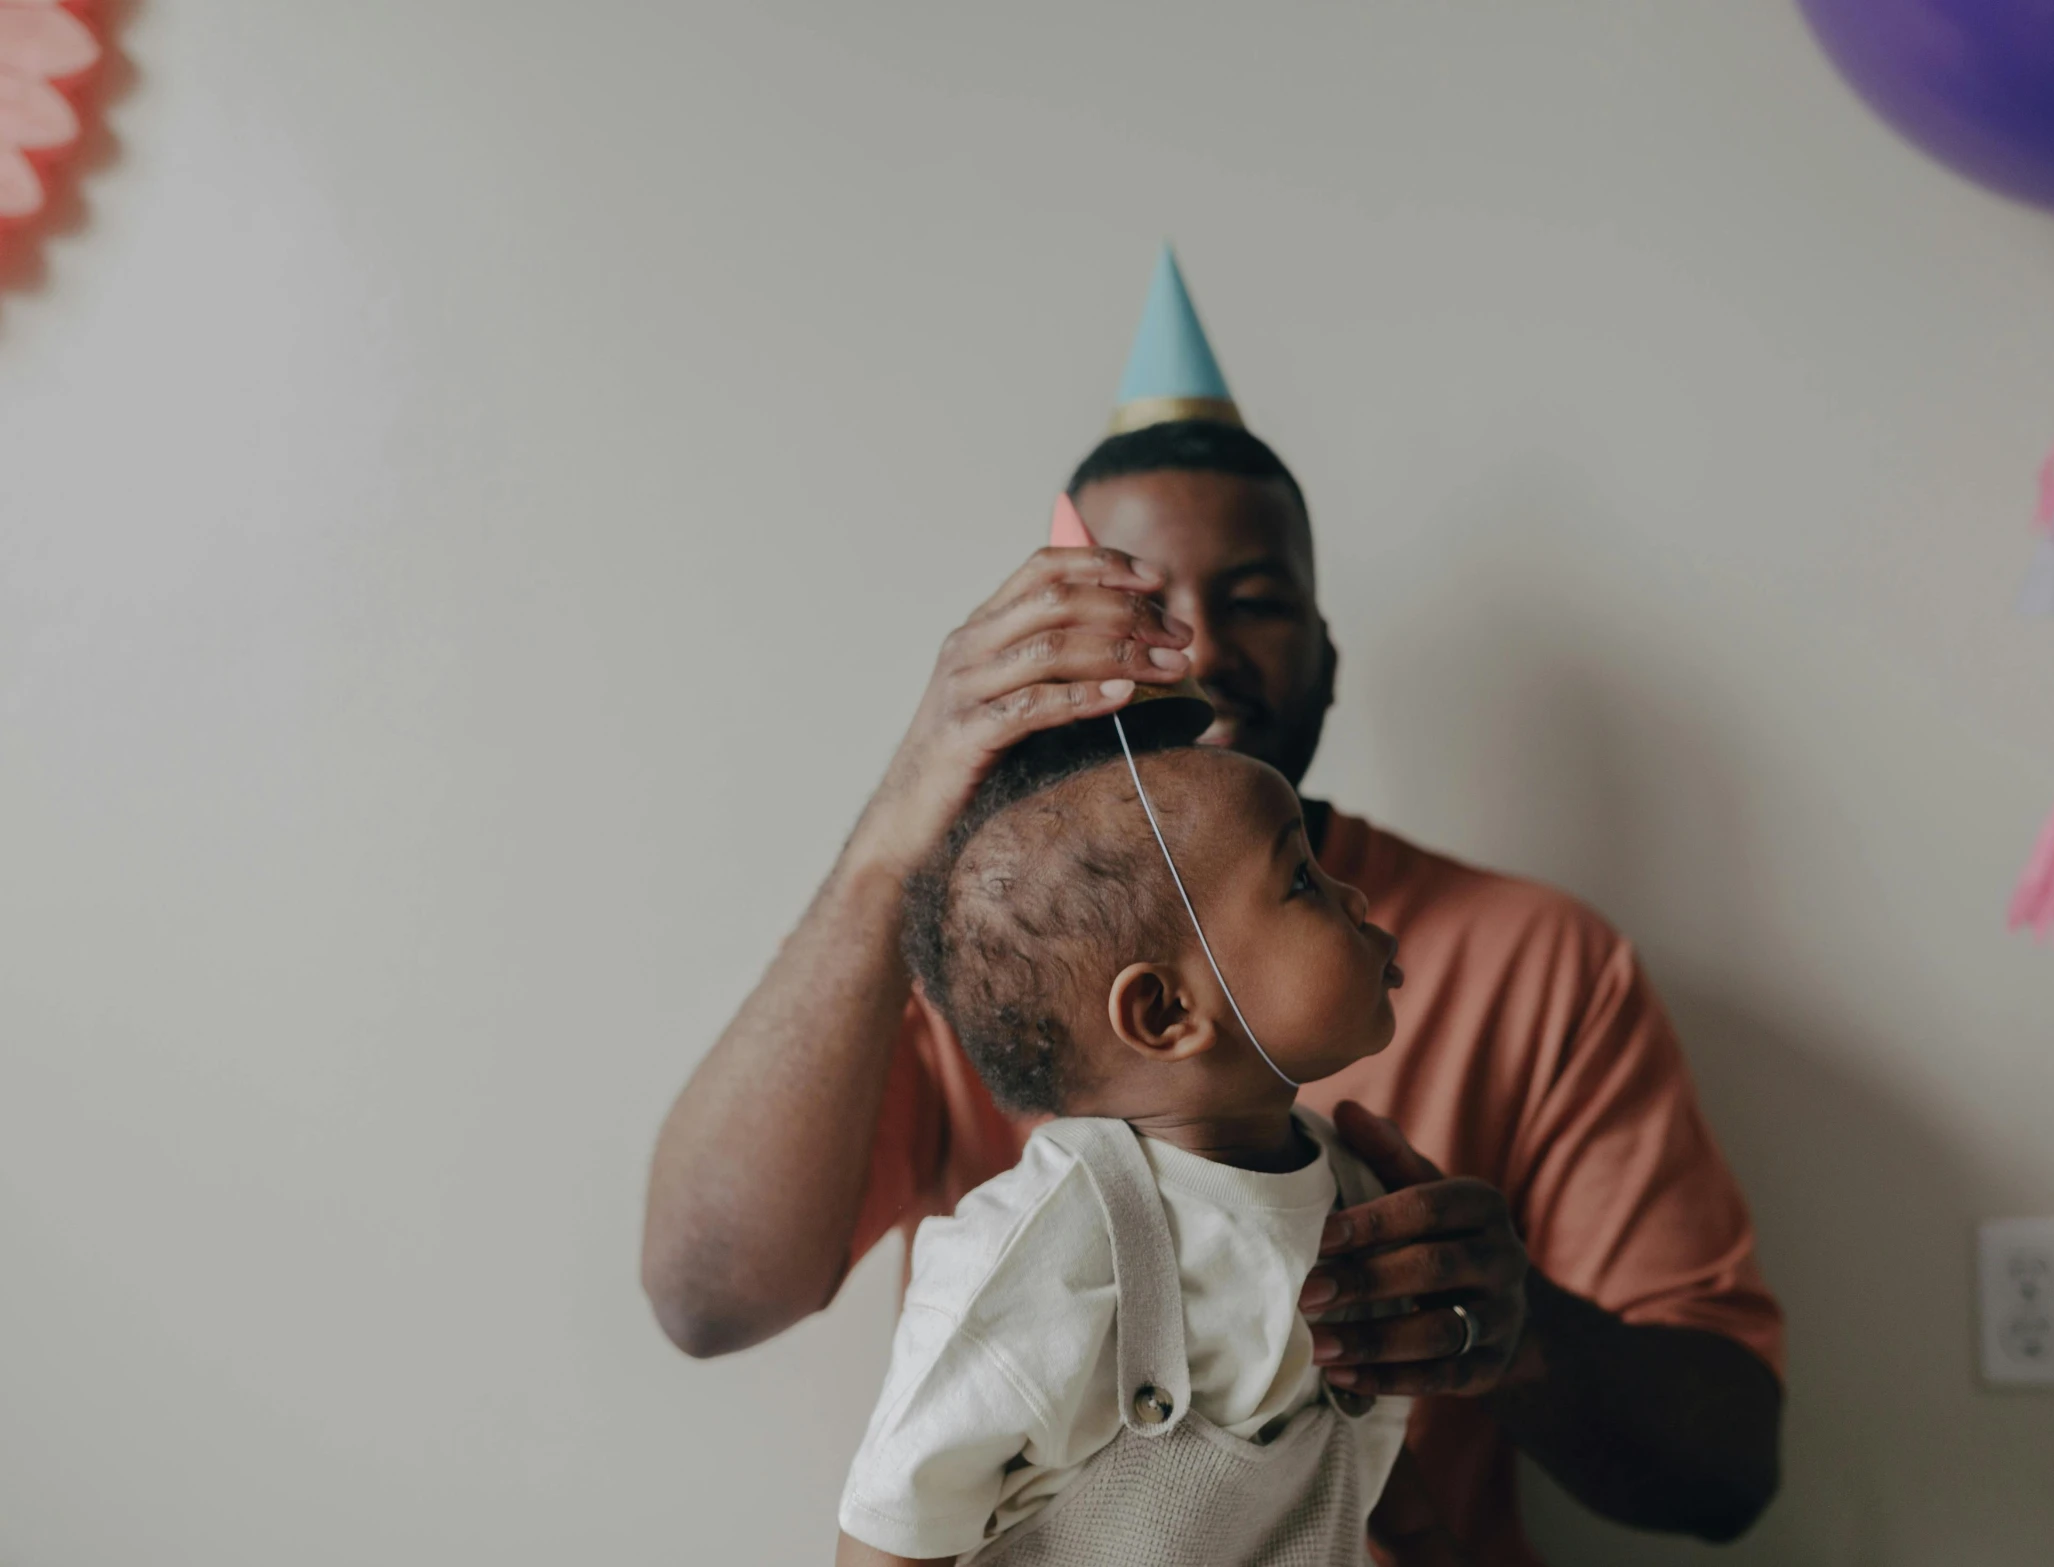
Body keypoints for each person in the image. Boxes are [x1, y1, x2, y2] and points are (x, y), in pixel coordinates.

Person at [644, 247, 1784, 1561]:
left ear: (1327, 654)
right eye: (1130, 599)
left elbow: (1728, 1470)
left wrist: (1514, 1332)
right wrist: (898, 824)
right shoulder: (986, 961)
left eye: (1252, 599)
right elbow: (705, 1295)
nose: (1187, 646)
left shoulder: (1541, 961)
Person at [836, 721, 1419, 1562]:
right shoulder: (1045, 1249)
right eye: (1301, 878)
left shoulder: (1359, 1193)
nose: (1356, 898)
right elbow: (893, 1528)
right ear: (1166, 1013)